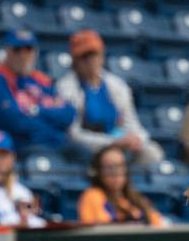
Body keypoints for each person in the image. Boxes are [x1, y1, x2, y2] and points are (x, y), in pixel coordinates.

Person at [56, 29, 160, 165]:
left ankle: (129, 185)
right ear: (75, 60)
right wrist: (111, 142)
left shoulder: (116, 85)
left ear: (102, 55)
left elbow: (132, 123)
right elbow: (73, 134)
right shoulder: (66, 87)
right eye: (84, 56)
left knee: (152, 153)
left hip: (117, 141)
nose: (90, 60)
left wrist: (137, 139)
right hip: (90, 146)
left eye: (94, 54)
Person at [0, 30, 74, 151]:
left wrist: (36, 111)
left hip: (54, 141)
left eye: (28, 49)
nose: (23, 55)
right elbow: (15, 121)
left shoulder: (42, 80)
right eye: (17, 50)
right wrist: (50, 123)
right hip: (22, 145)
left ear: (35, 52)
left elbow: (68, 113)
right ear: (7, 52)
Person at [77, 144, 167, 227]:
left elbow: (157, 224)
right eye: (109, 167)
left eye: (120, 165)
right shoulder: (92, 196)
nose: (116, 172)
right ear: (98, 171)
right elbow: (94, 230)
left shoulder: (136, 198)